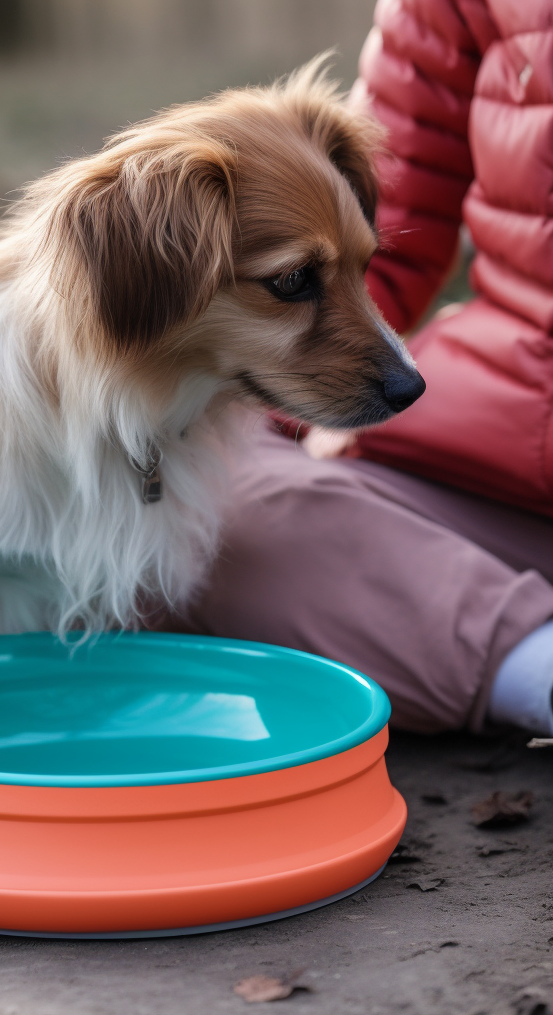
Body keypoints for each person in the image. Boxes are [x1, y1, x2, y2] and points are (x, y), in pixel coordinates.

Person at [166, 0, 553, 737]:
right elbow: (369, 246)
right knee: (190, 508)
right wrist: (264, 420)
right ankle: (535, 670)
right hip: (469, 463)